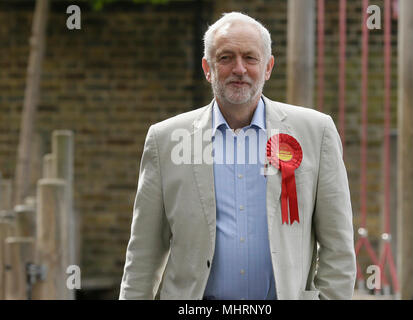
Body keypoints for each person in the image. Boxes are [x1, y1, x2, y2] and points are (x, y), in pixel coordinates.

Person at [119, 12, 356, 300]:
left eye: (250, 58)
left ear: (268, 67)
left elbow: (338, 246)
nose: (239, 69)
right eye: (226, 58)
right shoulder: (164, 139)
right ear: (208, 68)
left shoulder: (316, 132)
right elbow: (144, 250)